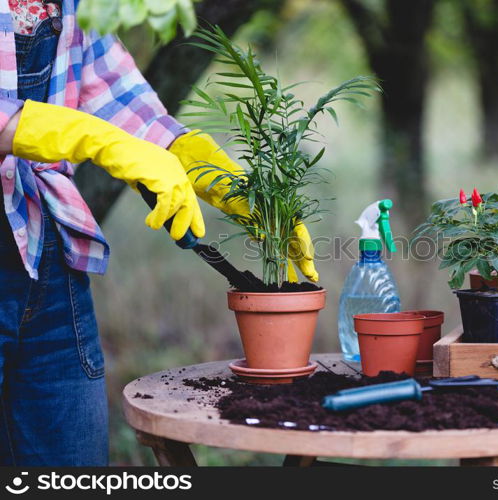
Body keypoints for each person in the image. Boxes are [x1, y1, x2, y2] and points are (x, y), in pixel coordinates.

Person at [0, 0, 318, 466]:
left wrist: (195, 161)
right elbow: (88, 130)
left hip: (47, 263)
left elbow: (115, 93)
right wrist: (89, 137)